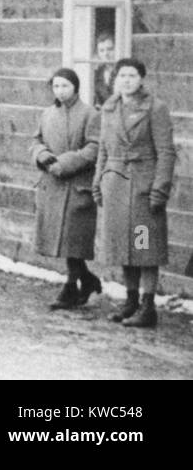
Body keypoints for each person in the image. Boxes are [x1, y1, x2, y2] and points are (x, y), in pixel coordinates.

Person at [92, 58, 175, 328]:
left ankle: (148, 306)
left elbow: (165, 152)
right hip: (115, 185)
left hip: (142, 187)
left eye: (132, 75)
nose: (126, 80)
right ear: (115, 79)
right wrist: (98, 181)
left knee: (144, 246)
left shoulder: (155, 108)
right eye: (122, 76)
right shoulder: (109, 108)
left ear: (141, 79)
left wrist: (159, 189)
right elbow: (103, 149)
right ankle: (130, 301)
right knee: (124, 245)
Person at [30, 68, 101, 309]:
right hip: (52, 184)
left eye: (65, 86)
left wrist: (66, 163)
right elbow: (35, 140)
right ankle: (85, 280)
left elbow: (95, 147)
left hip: (76, 186)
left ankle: (72, 286)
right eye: (56, 86)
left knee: (72, 238)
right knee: (62, 241)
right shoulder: (47, 114)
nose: (60, 91)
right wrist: (43, 156)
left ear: (76, 87)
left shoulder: (90, 114)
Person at [91, 33, 116, 107]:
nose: (106, 54)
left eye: (110, 49)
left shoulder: (122, 71)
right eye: (101, 50)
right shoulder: (97, 73)